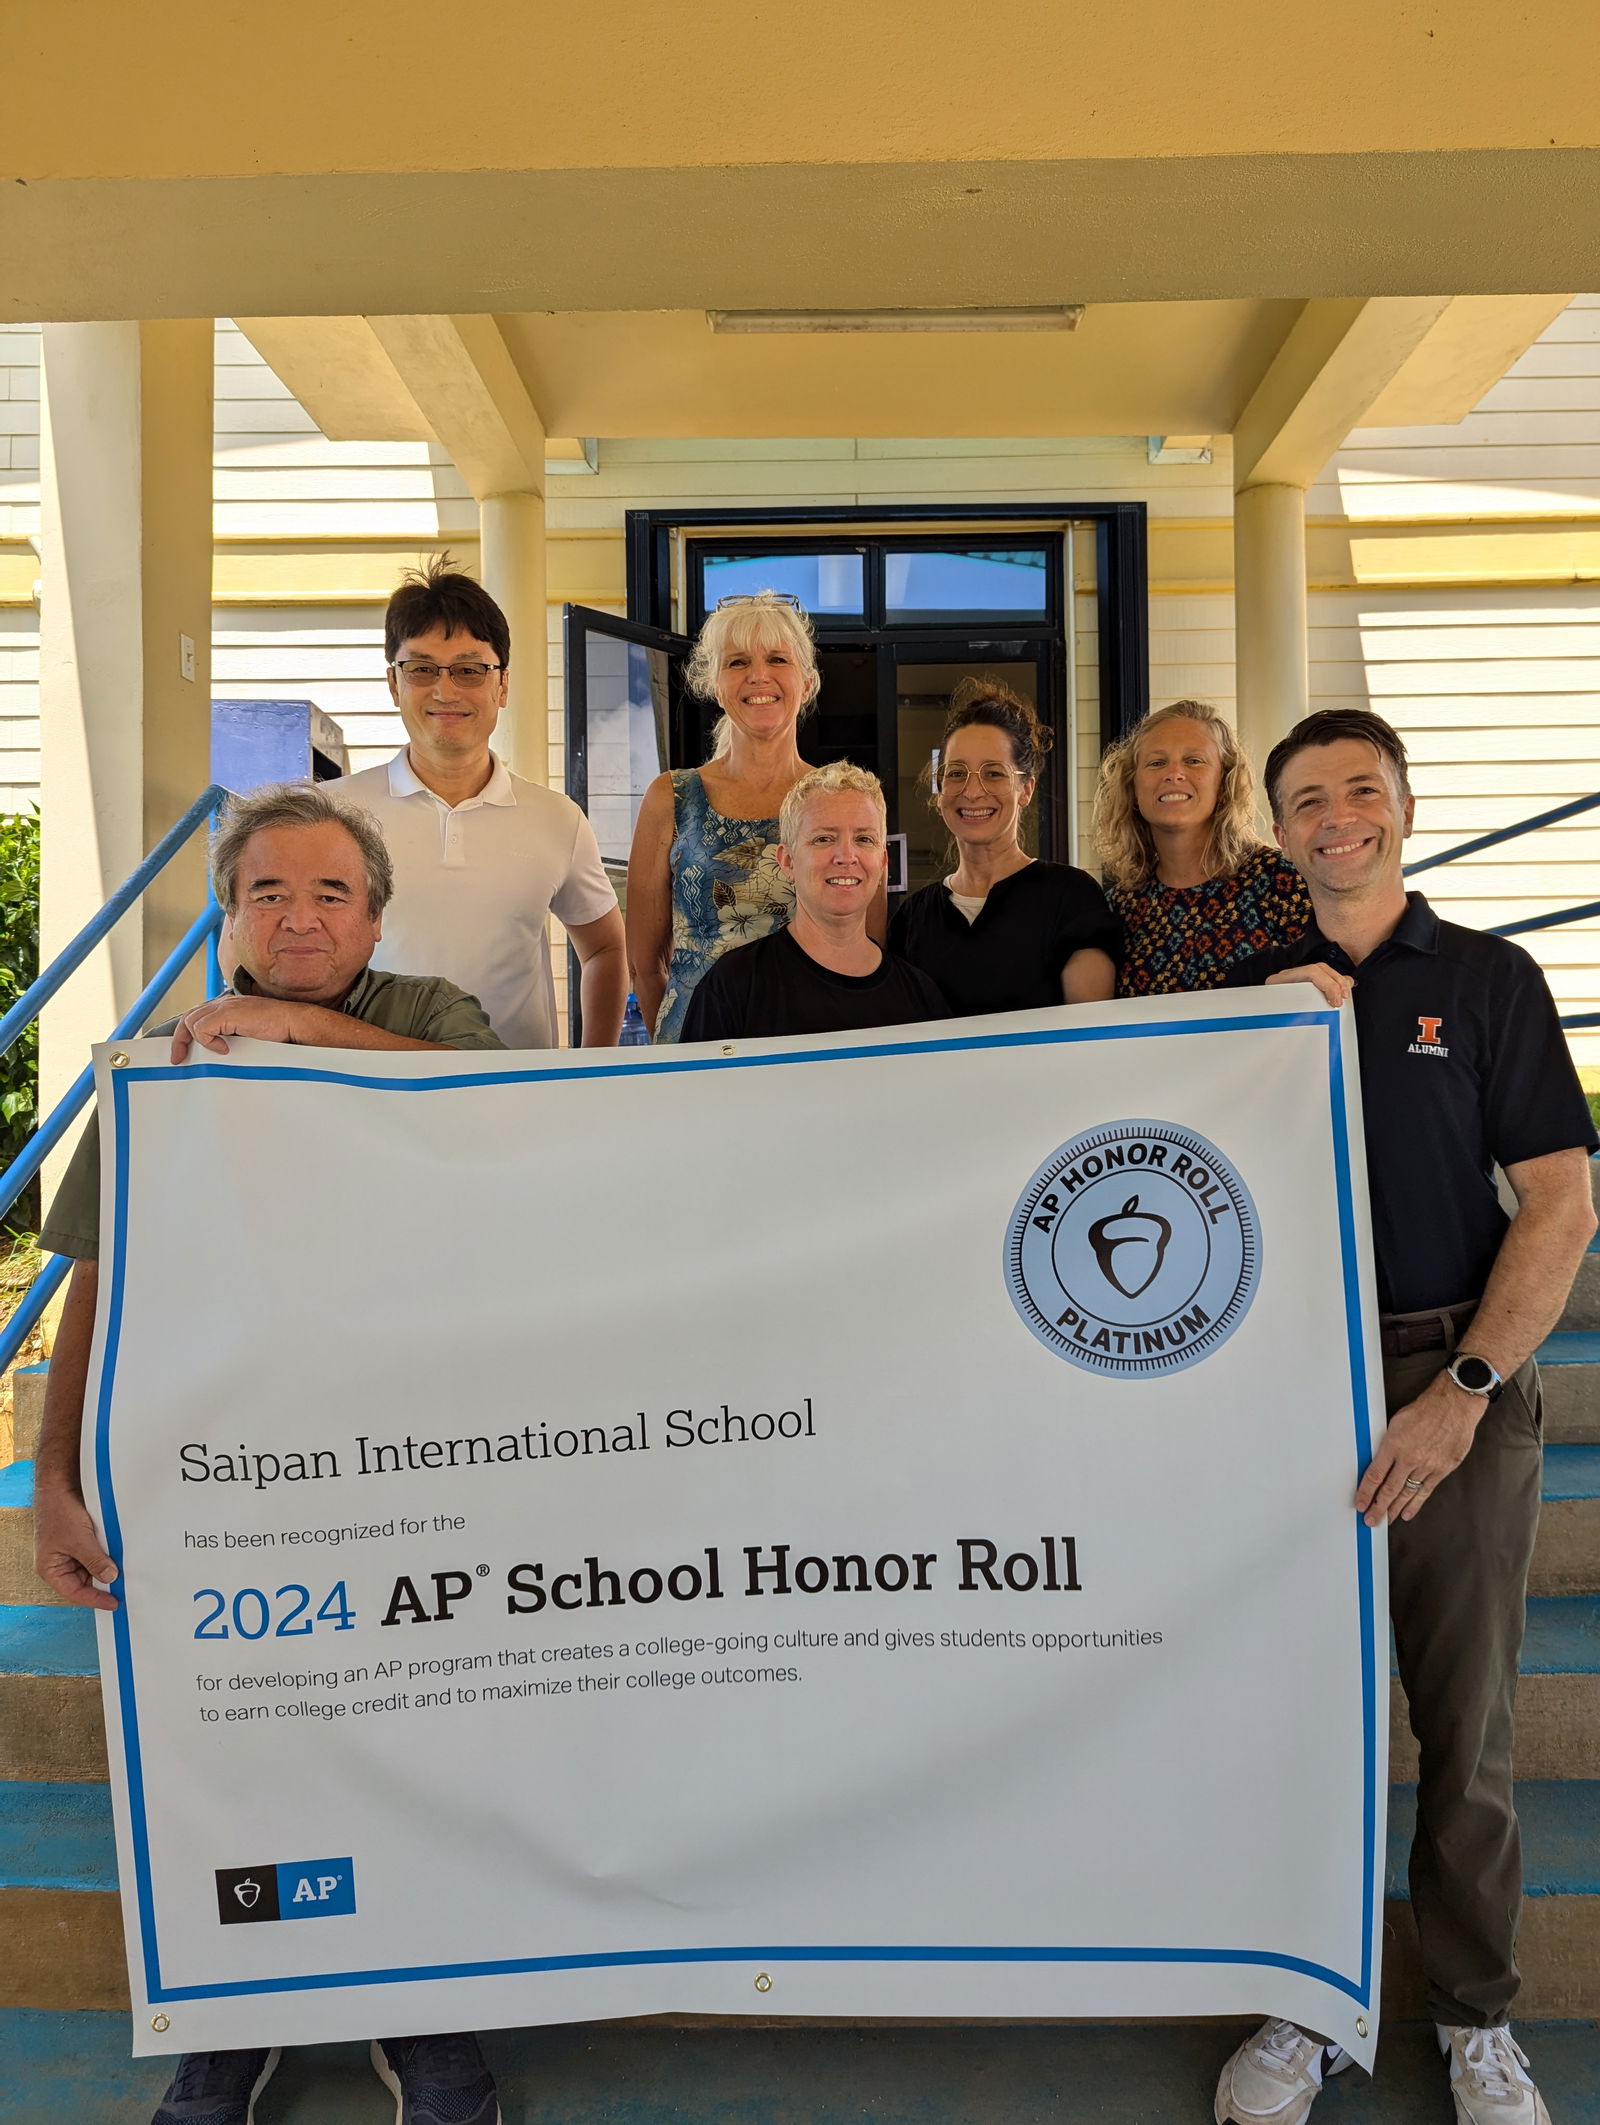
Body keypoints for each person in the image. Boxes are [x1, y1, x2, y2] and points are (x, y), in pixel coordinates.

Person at [33, 785, 505, 2125]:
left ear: (375, 916)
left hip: (410, 1458)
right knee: (224, 1749)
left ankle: (420, 2011)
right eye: (268, 894)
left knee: (420, 1736)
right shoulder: (149, 1067)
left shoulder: (432, 1020)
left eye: (331, 894)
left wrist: (288, 1030)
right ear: (229, 912)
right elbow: (93, 1280)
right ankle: (232, 2019)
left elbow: (493, 1103)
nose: (299, 916)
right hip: (211, 1470)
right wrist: (57, 1480)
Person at [1214, 708, 1596, 2125]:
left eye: (1360, 791)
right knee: (1305, 1715)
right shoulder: (1254, 989)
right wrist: (1265, 1036)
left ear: (1405, 806)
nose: (1337, 818)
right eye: (1307, 798)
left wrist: (1463, 1394)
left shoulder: (1491, 979)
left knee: (1467, 1724)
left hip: (1457, 1374)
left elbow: (1559, 1206)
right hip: (1288, 1387)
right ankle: (1306, 2003)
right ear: (1283, 829)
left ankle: (1476, 2019)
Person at [331, 555, 627, 1048]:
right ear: (393, 684)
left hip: (514, 1098)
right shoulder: (331, 814)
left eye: (469, 670)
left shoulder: (558, 820)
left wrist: (592, 1070)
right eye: (422, 668)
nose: (445, 690)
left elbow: (604, 949)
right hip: (370, 1090)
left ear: (502, 685)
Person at [627, 591, 836, 1042]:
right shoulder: (671, 797)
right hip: (697, 1049)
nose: (759, 676)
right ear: (715, 683)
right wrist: (675, 1046)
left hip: (811, 1042)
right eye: (737, 662)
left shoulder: (838, 800)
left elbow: (867, 944)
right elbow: (645, 964)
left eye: (778, 659)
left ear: (807, 681)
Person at [889, 678, 1120, 1014]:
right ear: (939, 792)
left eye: (994, 773)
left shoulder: (1071, 898)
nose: (972, 791)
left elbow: (1090, 1037)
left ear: (1025, 789)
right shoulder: (911, 919)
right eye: (956, 773)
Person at [681, 762, 947, 1041]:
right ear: (787, 861)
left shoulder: (921, 997)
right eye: (823, 839)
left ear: (882, 862)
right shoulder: (732, 988)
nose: (846, 856)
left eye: (864, 839)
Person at [1093, 699, 1310, 994]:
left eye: (1194, 760)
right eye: (1156, 763)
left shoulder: (1282, 880)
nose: (1174, 773)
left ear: (1224, 783)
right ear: (1132, 790)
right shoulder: (1119, 908)